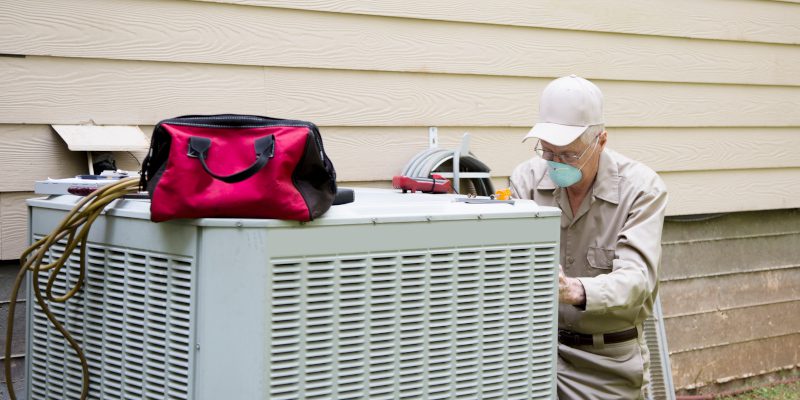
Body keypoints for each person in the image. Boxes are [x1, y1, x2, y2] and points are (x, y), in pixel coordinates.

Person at [509, 75, 668, 399]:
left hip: (606, 361)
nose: (555, 164)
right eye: (548, 152)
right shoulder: (526, 179)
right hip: (536, 350)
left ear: (602, 140)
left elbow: (636, 281)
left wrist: (572, 289)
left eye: (569, 155)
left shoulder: (641, 190)